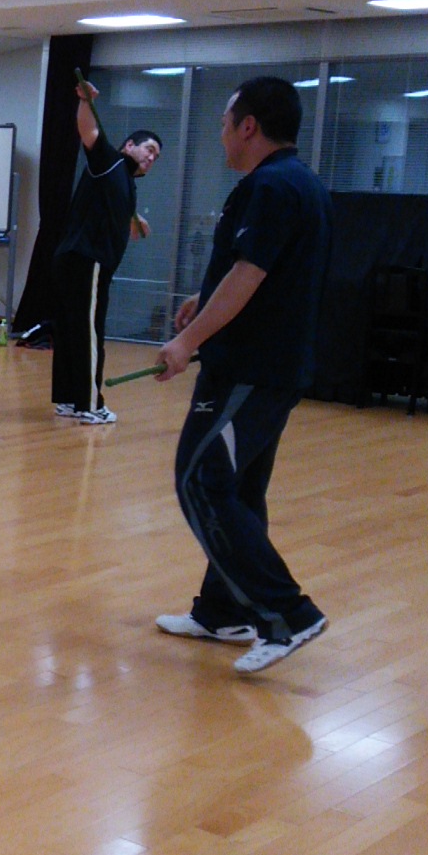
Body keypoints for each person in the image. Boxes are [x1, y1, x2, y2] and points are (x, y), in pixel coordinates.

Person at [153, 76, 332, 676]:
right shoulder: (293, 183)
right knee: (241, 489)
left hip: (251, 372)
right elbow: (256, 273)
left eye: (226, 122)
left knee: (201, 479)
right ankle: (221, 612)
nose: (222, 133)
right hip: (264, 368)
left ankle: (289, 615)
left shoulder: (275, 186)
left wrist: (186, 341)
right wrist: (200, 304)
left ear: (248, 126)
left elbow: (249, 276)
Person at [52, 80, 161, 425]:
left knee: (71, 329)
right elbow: (89, 131)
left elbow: (111, 208)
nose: (152, 157)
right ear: (129, 146)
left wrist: (134, 220)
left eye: (156, 156)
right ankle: (89, 404)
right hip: (88, 261)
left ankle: (68, 399)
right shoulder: (111, 161)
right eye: (149, 149)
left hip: (71, 259)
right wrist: (86, 101)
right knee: (89, 331)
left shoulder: (124, 182)